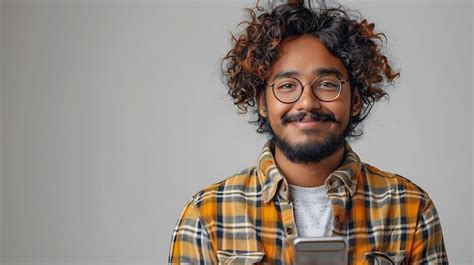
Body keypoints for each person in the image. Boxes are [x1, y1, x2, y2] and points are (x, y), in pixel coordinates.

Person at [168, 1, 448, 264]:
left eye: (327, 83)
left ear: (356, 100)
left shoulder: (410, 209)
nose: (307, 102)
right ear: (263, 102)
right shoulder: (207, 215)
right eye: (287, 85)